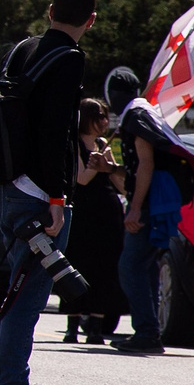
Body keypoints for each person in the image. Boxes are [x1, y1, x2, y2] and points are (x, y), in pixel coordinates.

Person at [0, 0, 94, 385]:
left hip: (6, 182)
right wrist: (58, 197)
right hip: (41, 192)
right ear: (90, 21)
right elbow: (54, 132)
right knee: (29, 295)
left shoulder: (24, 48)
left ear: (49, 10)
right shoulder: (70, 58)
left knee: (16, 289)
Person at [110, 66, 182, 355]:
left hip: (151, 203)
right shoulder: (145, 112)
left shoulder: (137, 117)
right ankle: (149, 329)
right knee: (145, 268)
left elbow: (146, 163)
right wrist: (111, 168)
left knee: (130, 267)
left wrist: (135, 208)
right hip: (157, 199)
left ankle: (147, 332)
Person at [62, 97, 127, 345]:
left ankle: (97, 326)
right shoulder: (75, 143)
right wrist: (98, 160)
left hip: (106, 212)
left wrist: (109, 165)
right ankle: (73, 326)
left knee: (104, 269)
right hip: (82, 213)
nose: (103, 121)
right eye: (98, 115)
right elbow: (82, 178)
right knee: (78, 265)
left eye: (105, 116)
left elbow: (119, 184)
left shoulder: (103, 144)